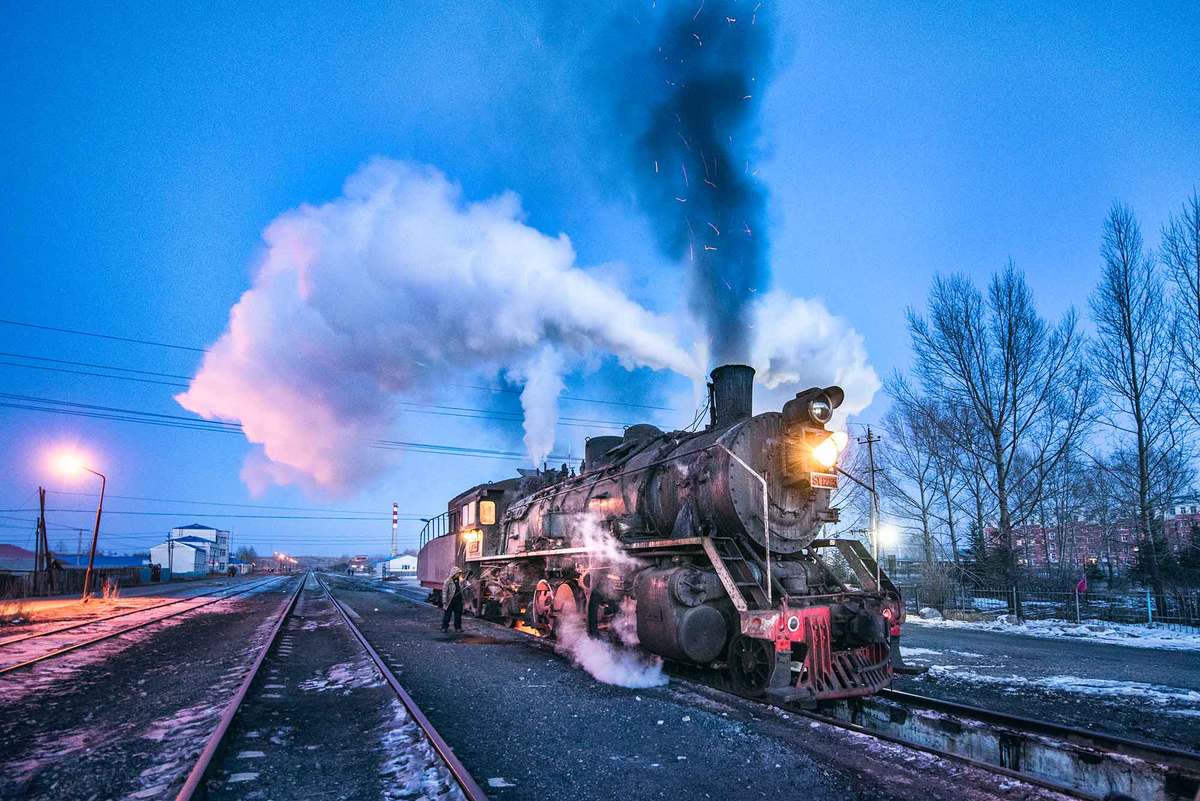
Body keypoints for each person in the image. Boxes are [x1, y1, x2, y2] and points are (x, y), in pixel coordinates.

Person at [441, 566, 465, 632]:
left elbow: (465, 586)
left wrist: (463, 581)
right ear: (454, 573)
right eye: (458, 573)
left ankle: (458, 628)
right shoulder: (447, 581)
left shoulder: (460, 580)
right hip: (450, 600)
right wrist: (444, 601)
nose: (459, 574)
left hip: (458, 601)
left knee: (458, 615)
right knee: (447, 615)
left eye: (459, 573)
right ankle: (444, 627)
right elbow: (444, 591)